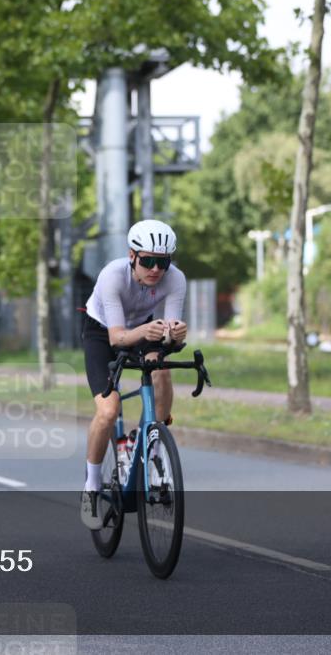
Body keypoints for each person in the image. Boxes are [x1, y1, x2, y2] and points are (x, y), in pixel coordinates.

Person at [79, 219, 188, 529]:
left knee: (161, 371)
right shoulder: (112, 276)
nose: (155, 269)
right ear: (132, 256)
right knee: (108, 410)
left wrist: (175, 335)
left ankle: (151, 444)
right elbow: (117, 338)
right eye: (148, 261)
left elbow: (168, 337)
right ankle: (91, 487)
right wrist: (147, 331)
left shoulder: (175, 278)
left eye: (163, 262)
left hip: (144, 328)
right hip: (102, 333)